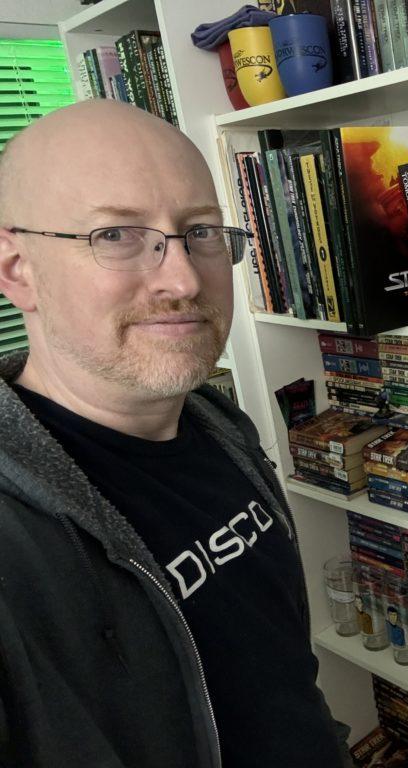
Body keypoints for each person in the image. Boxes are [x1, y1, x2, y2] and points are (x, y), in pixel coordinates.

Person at [0, 100, 350, 767]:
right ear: (17, 269)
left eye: (202, 231)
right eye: (118, 235)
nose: (184, 278)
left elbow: (279, 675)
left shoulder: (223, 429)